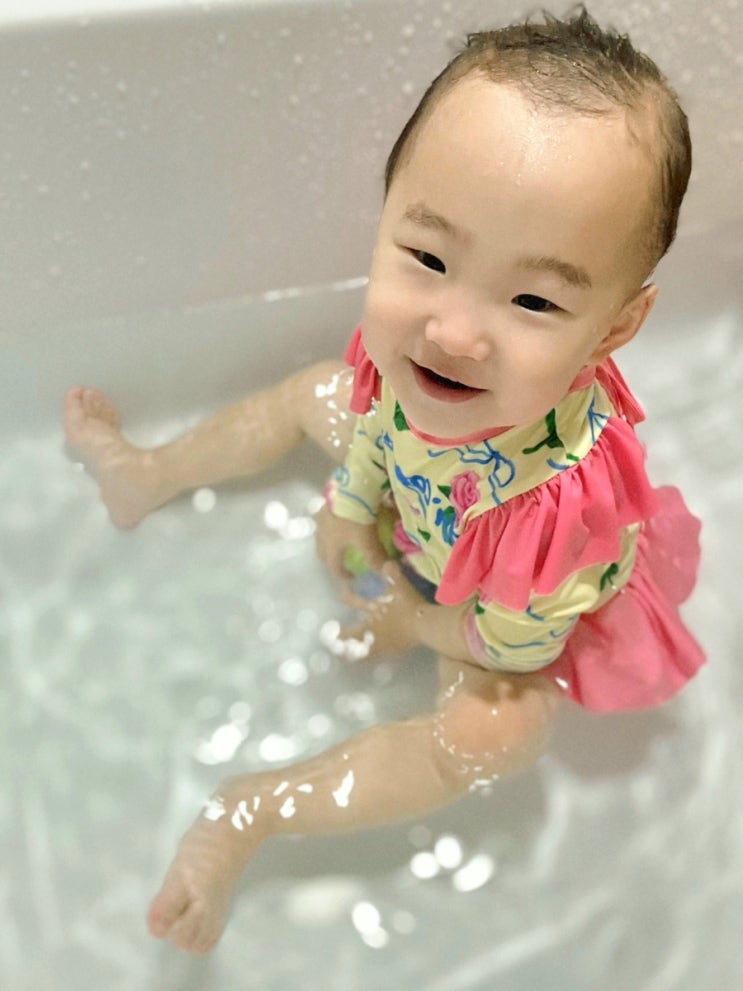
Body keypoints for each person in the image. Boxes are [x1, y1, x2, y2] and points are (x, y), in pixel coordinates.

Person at [64, 6, 704, 953]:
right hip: (412, 520)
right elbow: (377, 421)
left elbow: (509, 641)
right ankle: (147, 472)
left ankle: (252, 811)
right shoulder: (416, 344)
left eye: (533, 299)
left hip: (490, 612)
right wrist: (352, 507)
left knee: (498, 734)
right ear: (387, 219)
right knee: (312, 393)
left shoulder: (565, 511)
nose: (453, 331)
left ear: (612, 328)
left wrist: (408, 619)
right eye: (428, 256)